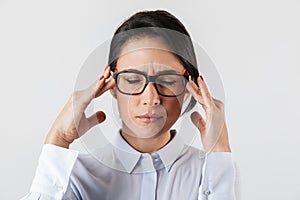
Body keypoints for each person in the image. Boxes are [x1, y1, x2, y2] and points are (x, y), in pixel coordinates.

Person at [22, 10, 238, 200]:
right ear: (112, 85)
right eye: (133, 80)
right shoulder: (74, 175)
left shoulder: (212, 173)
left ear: (190, 86)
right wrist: (57, 141)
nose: (151, 98)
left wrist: (219, 152)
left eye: (168, 81)